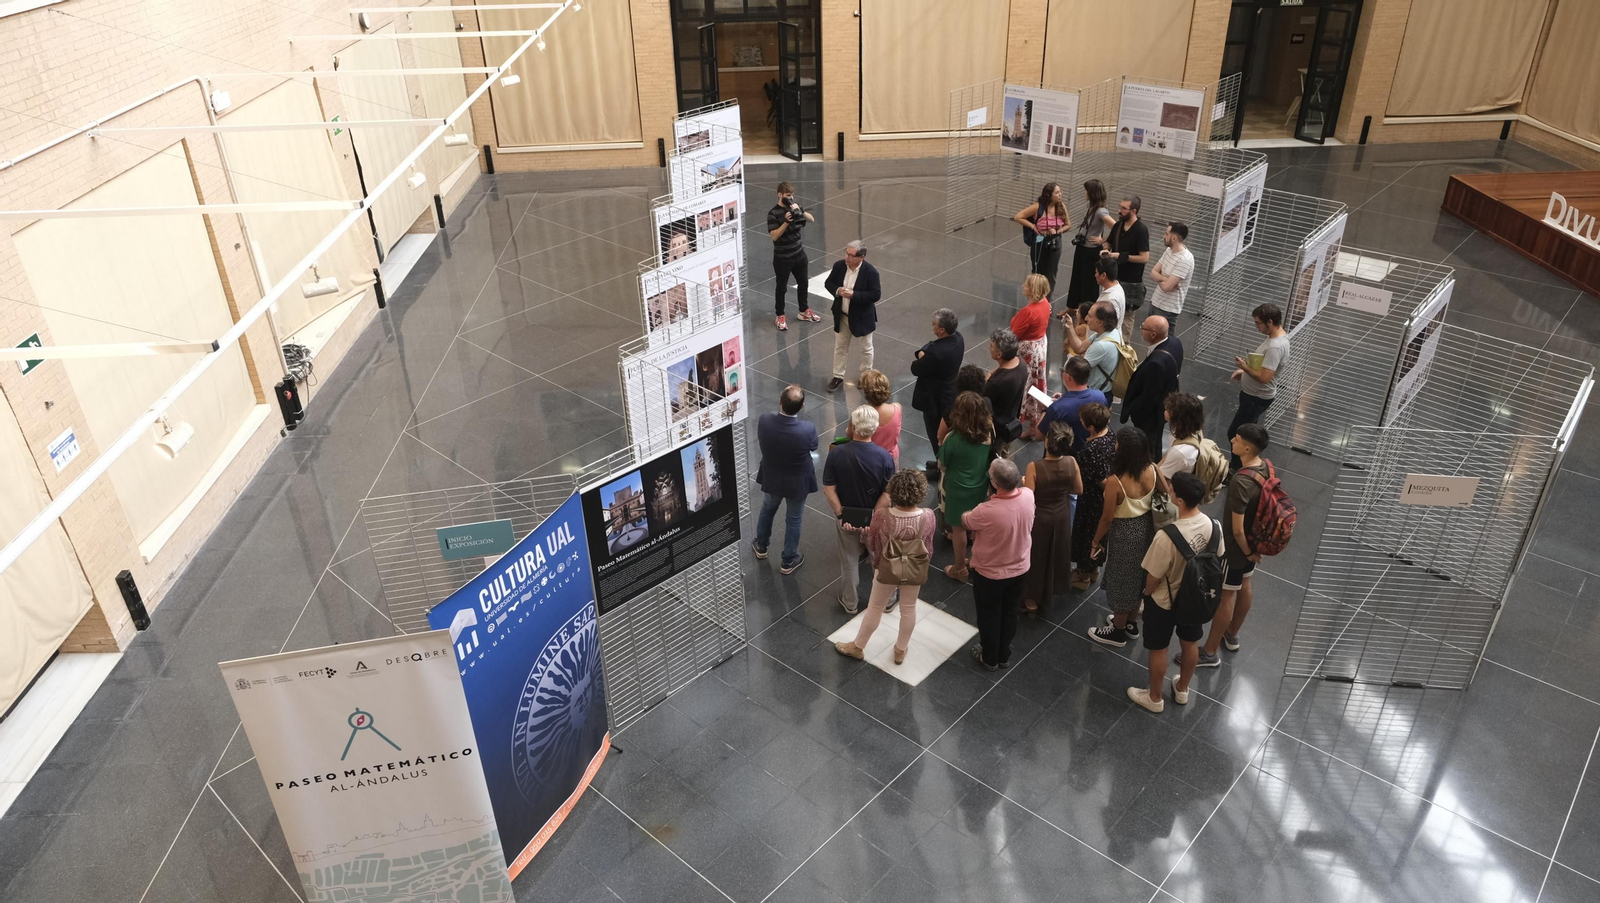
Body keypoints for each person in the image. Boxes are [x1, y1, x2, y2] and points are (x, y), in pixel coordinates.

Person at [1128, 471, 1217, 713]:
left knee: (1159, 648)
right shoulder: (1213, 526)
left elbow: (1153, 578)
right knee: (1190, 644)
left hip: (1165, 602)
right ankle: (1183, 689)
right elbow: (1216, 558)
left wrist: (1146, 595)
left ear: (1178, 500)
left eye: (1171, 488)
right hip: (1196, 600)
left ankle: (1154, 698)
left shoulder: (1166, 537)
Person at [833, 469, 937, 665]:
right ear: (920, 492)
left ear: (894, 492)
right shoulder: (928, 516)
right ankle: (900, 649)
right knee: (908, 608)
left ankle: (858, 647)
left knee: (875, 608)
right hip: (915, 568)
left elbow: (873, 544)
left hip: (887, 568)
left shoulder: (883, 515)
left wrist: (878, 564)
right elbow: (929, 545)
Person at [1197, 423, 1270, 667]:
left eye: (1237, 439)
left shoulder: (1240, 481)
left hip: (1236, 547)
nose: (1232, 440)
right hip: (1255, 541)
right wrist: (1253, 552)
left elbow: (1237, 529)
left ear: (1247, 448)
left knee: (1227, 594)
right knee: (1245, 583)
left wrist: (1246, 552)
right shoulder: (1266, 467)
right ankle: (1232, 634)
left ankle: (1208, 652)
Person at [1087, 427, 1159, 647]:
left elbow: (1107, 518)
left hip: (1125, 533)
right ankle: (1130, 623)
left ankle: (1117, 632)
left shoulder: (1115, 482)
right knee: (1138, 577)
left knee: (1121, 579)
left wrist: (1095, 541)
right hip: (1147, 527)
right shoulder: (1152, 468)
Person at [822, 406, 896, 613]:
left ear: (852, 426)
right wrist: (873, 517)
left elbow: (829, 490)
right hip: (876, 519)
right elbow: (889, 493)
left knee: (849, 560)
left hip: (847, 517)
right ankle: (887, 600)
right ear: (874, 430)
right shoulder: (884, 457)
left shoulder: (837, 454)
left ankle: (850, 601)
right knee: (879, 559)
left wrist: (841, 515)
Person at [965, 458, 1035, 671]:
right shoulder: (1028, 496)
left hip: (990, 573)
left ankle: (989, 656)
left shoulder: (986, 510)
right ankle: (1004, 654)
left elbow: (967, 521)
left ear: (995, 484)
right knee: (1010, 611)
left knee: (989, 615)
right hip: (1020, 567)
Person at [753, 385, 819, 575]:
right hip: (797, 482)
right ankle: (788, 560)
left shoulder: (765, 421)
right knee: (794, 519)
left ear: (780, 402)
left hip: (772, 476)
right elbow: (813, 446)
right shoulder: (807, 429)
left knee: (767, 509)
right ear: (802, 406)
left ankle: (761, 546)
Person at [1022, 424, 1082, 615]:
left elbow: (1029, 496)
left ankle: (1031, 598)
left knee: (1037, 556)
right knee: (1058, 552)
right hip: (1062, 514)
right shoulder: (1072, 462)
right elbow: (1078, 489)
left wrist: (1024, 482)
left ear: (1047, 442)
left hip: (1041, 516)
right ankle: (1054, 588)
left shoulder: (1035, 467)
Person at [937, 391, 993, 582]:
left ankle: (960, 568)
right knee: (977, 526)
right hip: (981, 486)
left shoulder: (952, 438)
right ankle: (976, 561)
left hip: (957, 488)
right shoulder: (989, 431)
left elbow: (942, 465)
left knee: (958, 529)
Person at [1228, 303, 1288, 470]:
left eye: (1258, 323)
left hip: (1256, 397)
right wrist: (1244, 370)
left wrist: (1244, 367)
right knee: (1243, 433)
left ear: (1270, 322)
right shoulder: (1276, 339)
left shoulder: (1275, 347)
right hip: (1253, 395)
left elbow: (1264, 377)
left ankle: (1237, 468)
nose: (1257, 327)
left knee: (1237, 435)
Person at [1121, 315, 1184, 458]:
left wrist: (1136, 412)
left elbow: (1149, 396)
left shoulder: (1156, 364)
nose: (1141, 329)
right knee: (1156, 441)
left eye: (1143, 328)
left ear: (1153, 335)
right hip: (1164, 405)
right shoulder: (1175, 343)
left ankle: (1149, 470)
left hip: (1151, 415)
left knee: (1147, 444)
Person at [911, 308, 964, 474]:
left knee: (936, 435)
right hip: (950, 391)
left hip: (935, 398)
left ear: (941, 330)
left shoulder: (936, 354)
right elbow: (932, 345)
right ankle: (940, 461)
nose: (932, 326)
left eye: (934, 324)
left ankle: (941, 467)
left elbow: (916, 368)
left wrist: (922, 355)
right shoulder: (958, 338)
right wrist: (925, 353)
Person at [824, 240, 882, 392]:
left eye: (851, 255)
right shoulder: (839, 266)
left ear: (861, 257)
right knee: (840, 347)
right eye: (846, 253)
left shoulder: (871, 272)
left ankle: (866, 376)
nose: (847, 258)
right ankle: (837, 376)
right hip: (842, 315)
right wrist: (838, 291)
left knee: (866, 348)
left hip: (862, 317)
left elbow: (875, 295)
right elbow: (828, 283)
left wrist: (854, 295)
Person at [1071, 403, 1115, 589]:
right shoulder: (1110, 434)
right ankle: (1093, 568)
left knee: (1086, 534)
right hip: (1101, 498)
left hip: (1091, 498)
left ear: (1090, 427)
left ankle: (1082, 575)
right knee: (1097, 533)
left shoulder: (1091, 450)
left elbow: (1099, 479)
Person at [768, 182, 819, 331]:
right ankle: (780, 315)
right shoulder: (772, 214)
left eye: (791, 195)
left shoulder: (794, 207)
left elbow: (811, 219)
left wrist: (799, 211)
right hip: (783, 258)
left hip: (799, 254)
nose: (790, 198)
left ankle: (803, 311)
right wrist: (785, 221)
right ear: (780, 194)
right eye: (787, 195)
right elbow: (775, 236)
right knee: (781, 287)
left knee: (803, 283)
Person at [1010, 275, 1054, 430]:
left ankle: (1030, 422)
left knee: (1027, 385)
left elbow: (1015, 332)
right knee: (1037, 381)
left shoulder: (1028, 311)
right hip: (1039, 346)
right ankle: (1036, 420)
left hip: (1028, 351)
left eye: (1027, 285)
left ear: (1033, 290)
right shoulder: (1045, 303)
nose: (1023, 286)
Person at [1065, 179, 1115, 312]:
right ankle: (1072, 306)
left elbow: (1116, 227)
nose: (1084, 193)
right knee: (1077, 277)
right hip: (1083, 247)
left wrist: (1102, 240)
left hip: (1091, 251)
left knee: (1089, 282)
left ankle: (1087, 310)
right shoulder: (1092, 207)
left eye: (1086, 190)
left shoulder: (1100, 211)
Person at [1034, 356, 1105, 448]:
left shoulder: (1057, 408)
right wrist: (1065, 398)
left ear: (1068, 377)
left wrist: (1044, 410)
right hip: (1091, 449)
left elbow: (1038, 436)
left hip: (1065, 455)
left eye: (1063, 370)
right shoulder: (1100, 396)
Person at [1102, 196, 1151, 328]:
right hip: (1114, 277)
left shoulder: (1141, 230)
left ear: (1133, 211)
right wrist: (1106, 250)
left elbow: (1144, 257)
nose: (1119, 210)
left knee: (1126, 320)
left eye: (1124, 208)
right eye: (1120, 207)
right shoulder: (1118, 226)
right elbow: (1108, 242)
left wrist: (1122, 256)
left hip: (1131, 282)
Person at [1014, 182, 1072, 292]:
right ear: (1049, 195)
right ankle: (1035, 295)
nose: (1060, 194)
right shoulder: (1038, 207)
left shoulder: (1061, 206)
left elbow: (1068, 225)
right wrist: (1033, 226)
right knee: (1037, 271)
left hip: (1055, 241)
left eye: (1060, 192)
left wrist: (1058, 231)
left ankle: (1047, 300)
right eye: (1057, 192)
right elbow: (1018, 217)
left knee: (1052, 272)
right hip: (1040, 240)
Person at [984, 328, 1029, 453]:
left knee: (995, 455)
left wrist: (987, 379)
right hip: (1012, 417)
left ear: (999, 355)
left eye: (991, 346)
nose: (989, 348)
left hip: (998, 426)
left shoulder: (997, 382)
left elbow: (984, 400)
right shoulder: (1021, 362)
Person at [1147, 222, 1194, 329]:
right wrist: (1165, 278)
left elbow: (1166, 287)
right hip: (1155, 302)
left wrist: (1160, 277)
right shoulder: (1169, 250)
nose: (1164, 236)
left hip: (1167, 310)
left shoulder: (1185, 259)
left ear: (1173, 238)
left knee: (1163, 344)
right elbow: (1152, 273)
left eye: (1166, 234)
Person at [1077, 303, 1123, 398]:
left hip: (1095, 395)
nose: (1086, 318)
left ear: (1100, 322)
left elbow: (1080, 369)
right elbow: (1081, 347)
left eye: (1090, 316)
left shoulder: (1100, 346)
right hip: (1106, 389)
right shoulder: (1113, 332)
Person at [858, 369, 902, 464]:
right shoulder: (897, 408)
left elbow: (850, 434)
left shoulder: (861, 414)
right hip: (891, 458)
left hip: (870, 459)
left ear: (866, 392)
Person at [1157, 392, 1205, 478]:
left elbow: (1161, 479)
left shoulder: (1179, 452)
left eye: (1168, 409)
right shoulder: (1193, 430)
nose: (1165, 408)